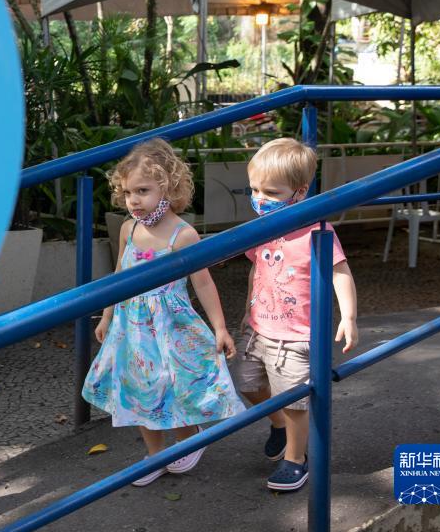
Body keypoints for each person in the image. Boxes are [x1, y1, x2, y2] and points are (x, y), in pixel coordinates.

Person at [83, 138, 245, 487]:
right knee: (139, 388)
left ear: (168, 187)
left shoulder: (183, 235)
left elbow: (203, 283)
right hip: (132, 328)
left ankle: (188, 439)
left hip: (170, 326)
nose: (134, 200)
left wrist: (220, 327)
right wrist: (108, 316)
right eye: (128, 192)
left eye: (143, 191)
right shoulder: (129, 229)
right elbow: (119, 276)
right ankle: (155, 454)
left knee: (175, 384)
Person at [232, 137, 358, 492]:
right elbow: (257, 269)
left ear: (299, 192)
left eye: (271, 192)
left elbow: (340, 272)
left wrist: (348, 317)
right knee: (247, 383)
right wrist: (247, 308)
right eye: (254, 189)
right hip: (259, 327)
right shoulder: (264, 227)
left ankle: (295, 459)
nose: (259, 199)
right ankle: (278, 425)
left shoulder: (317, 231)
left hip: (296, 335)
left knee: (296, 404)